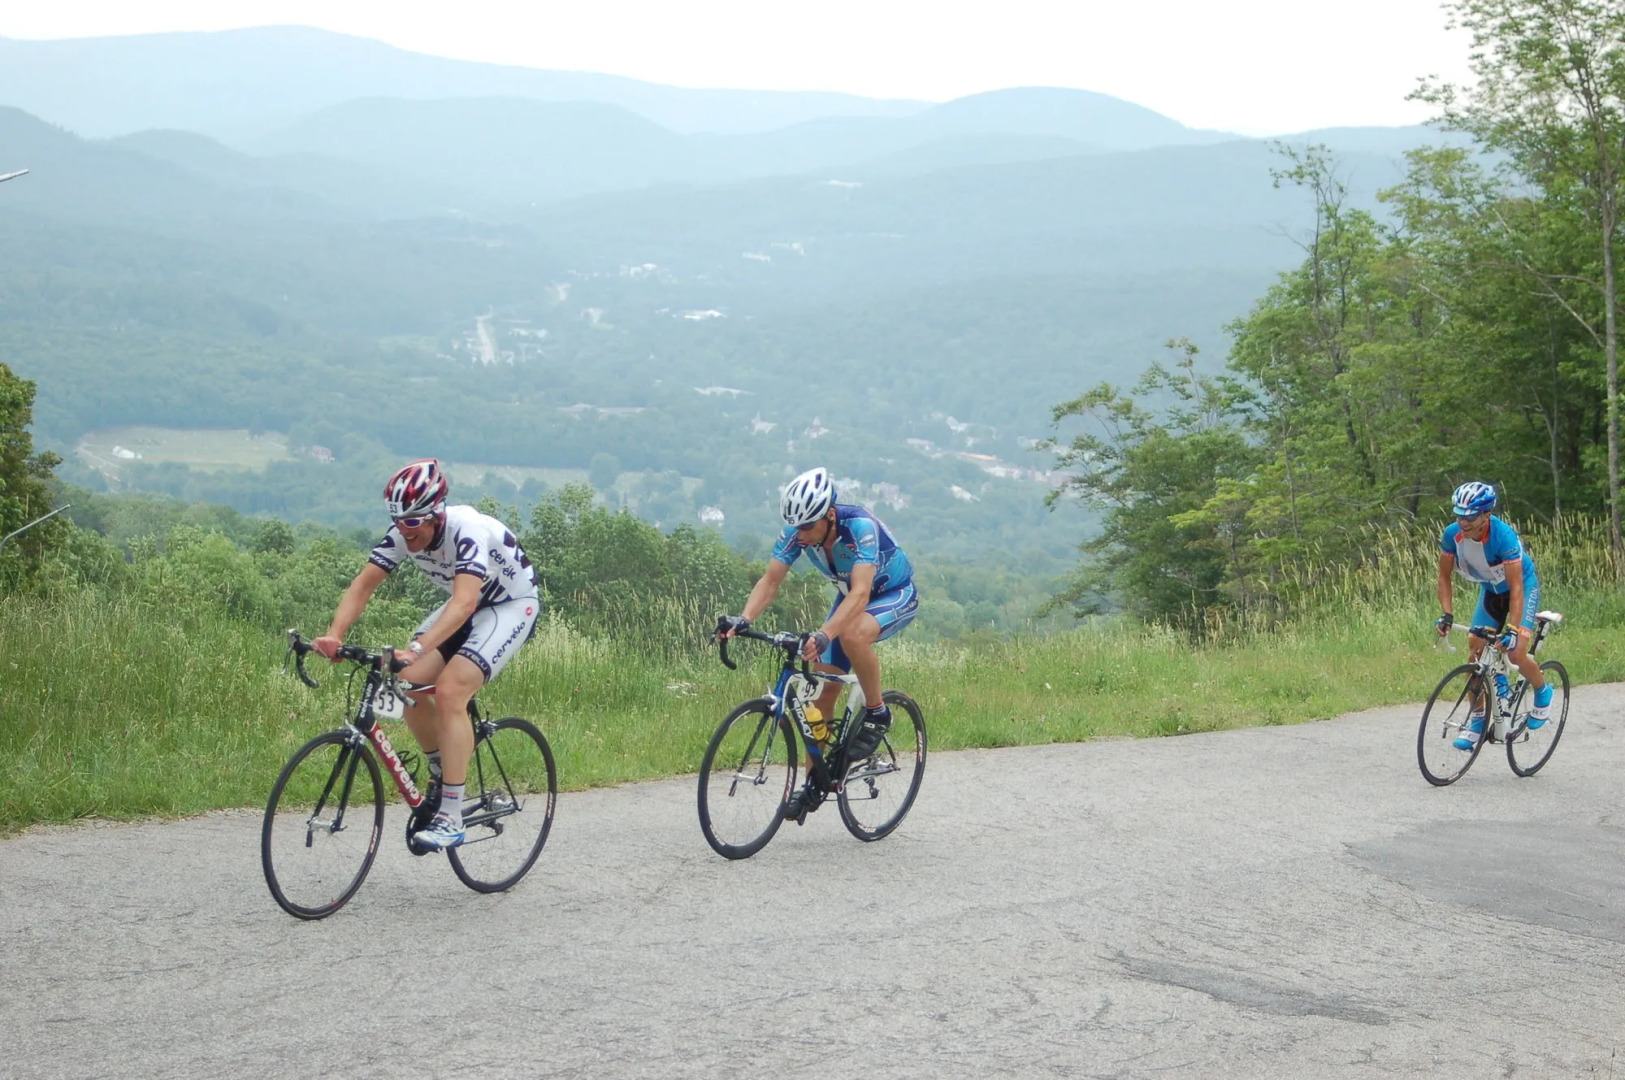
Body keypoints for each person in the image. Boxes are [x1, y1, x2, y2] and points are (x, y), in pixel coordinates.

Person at [314, 459, 539, 849]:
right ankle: (441, 768)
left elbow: (465, 603)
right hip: (470, 605)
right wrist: (335, 634)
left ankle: (451, 817)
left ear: (436, 515)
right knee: (408, 685)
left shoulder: (468, 530)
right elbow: (363, 586)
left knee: (451, 690)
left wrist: (417, 648)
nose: (405, 531)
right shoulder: (404, 533)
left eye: (413, 523)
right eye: (398, 521)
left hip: (509, 606)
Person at [719, 467, 918, 819]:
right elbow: (770, 581)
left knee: (855, 635)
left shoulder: (860, 528)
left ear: (829, 515)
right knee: (823, 693)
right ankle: (814, 784)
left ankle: (877, 712)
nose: (802, 535)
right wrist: (744, 619)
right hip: (850, 598)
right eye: (796, 528)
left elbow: (861, 594)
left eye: (808, 527)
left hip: (890, 593)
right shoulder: (799, 532)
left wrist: (826, 633)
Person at [1434, 481, 1552, 749]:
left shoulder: (1504, 537)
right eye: (1459, 514)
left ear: (1486, 514)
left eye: (1471, 516)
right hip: (1490, 591)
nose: (1463, 521)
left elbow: (1517, 588)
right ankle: (1477, 720)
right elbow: (1443, 577)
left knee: (1515, 652)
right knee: (1475, 653)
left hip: (1520, 588)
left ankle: (1543, 691)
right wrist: (1447, 614)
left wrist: (1513, 629)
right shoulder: (1451, 535)